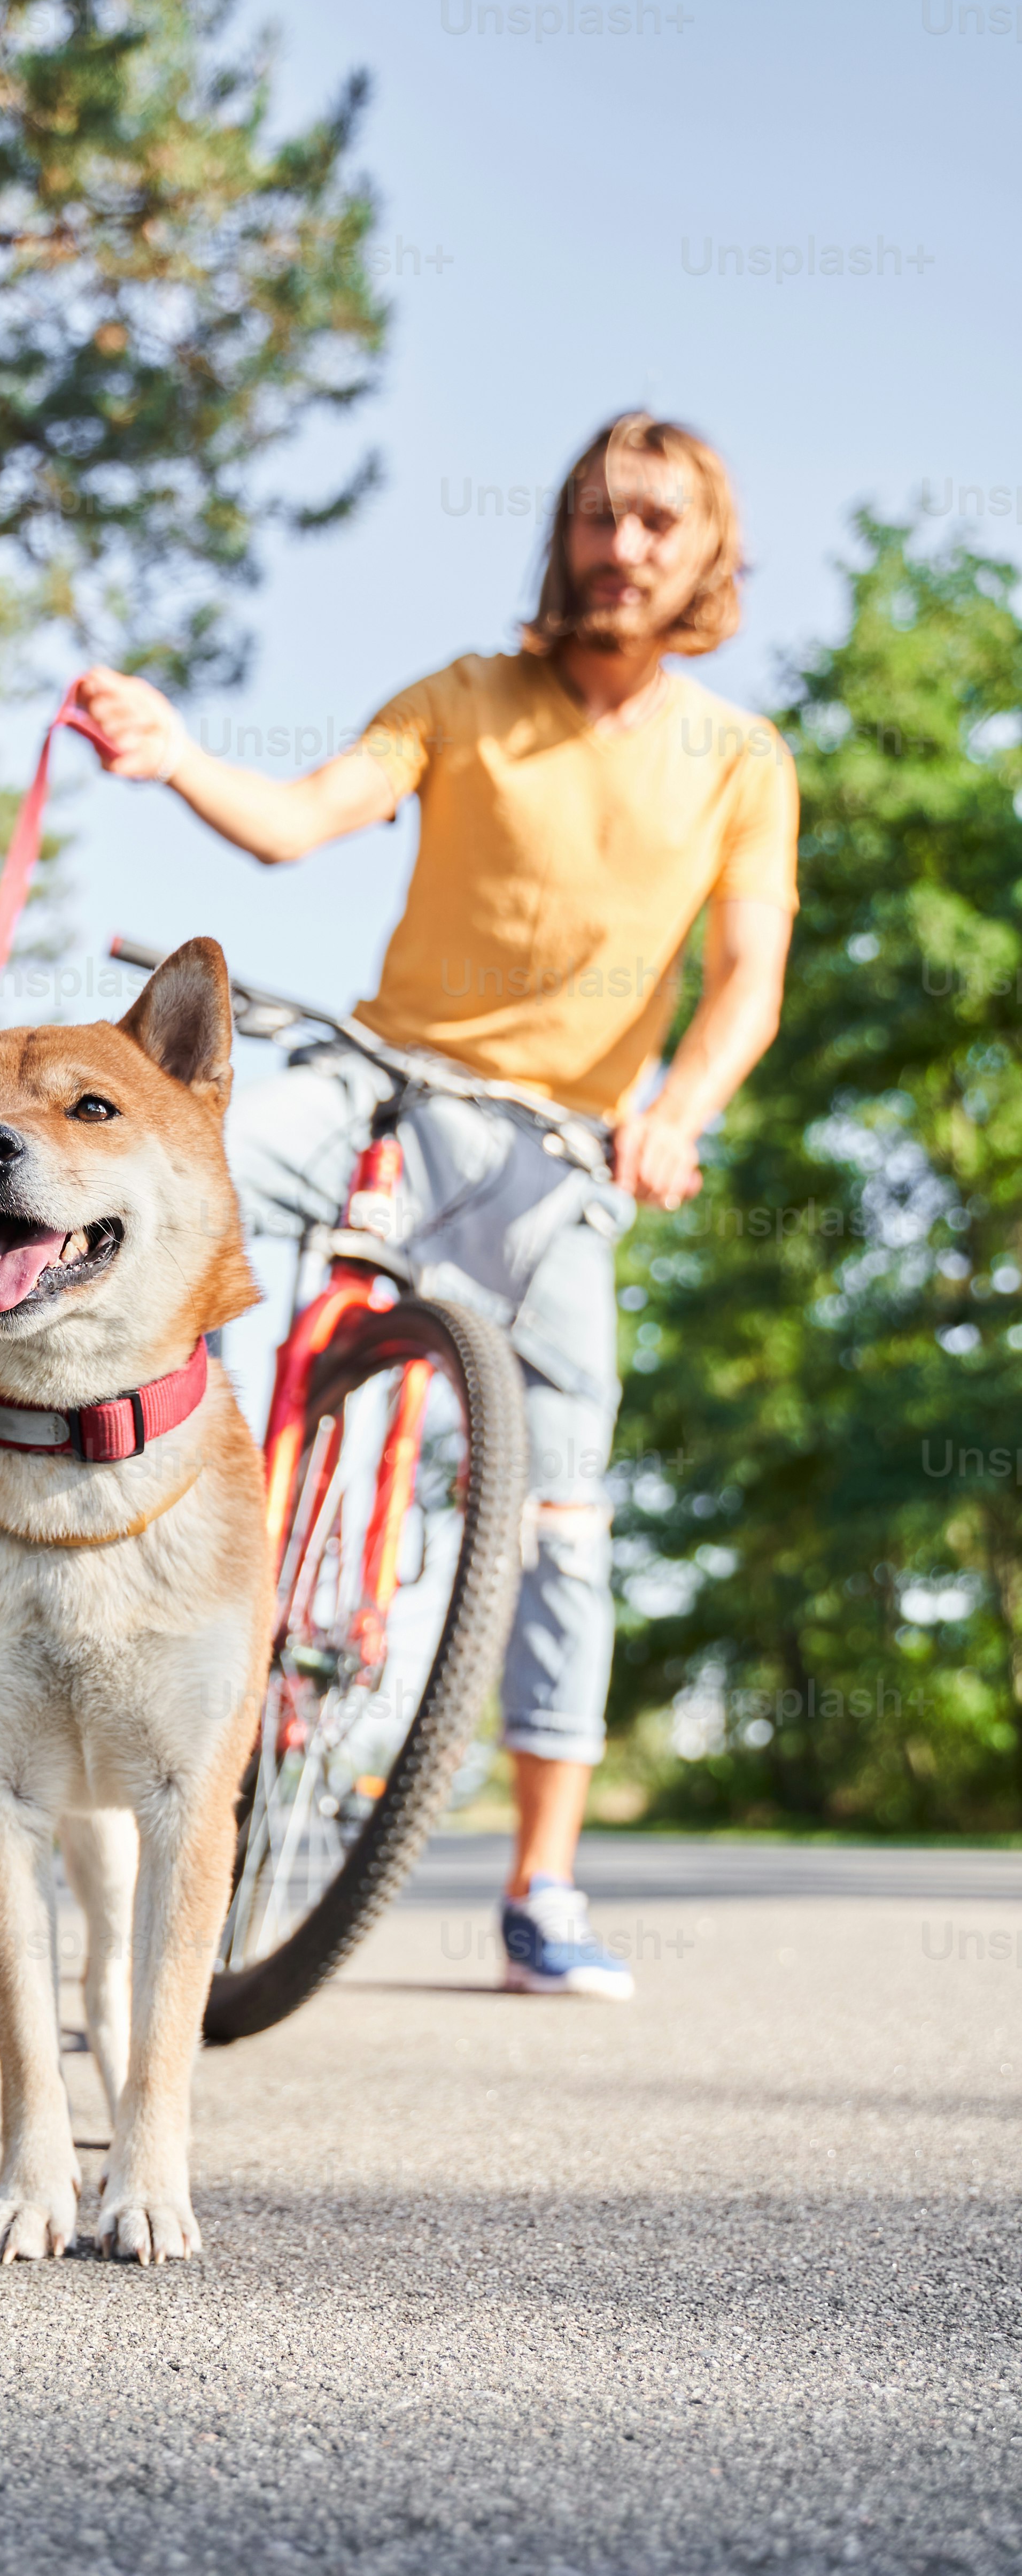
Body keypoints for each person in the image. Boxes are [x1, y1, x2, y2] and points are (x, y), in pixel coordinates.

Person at [75, 411, 798, 1997]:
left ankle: (543, 1885)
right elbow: (298, 823)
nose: (624, 547)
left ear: (706, 552)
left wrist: (680, 1108)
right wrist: (180, 753)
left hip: (562, 1142)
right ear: (565, 538)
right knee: (195, 1179)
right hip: (385, 1080)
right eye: (600, 519)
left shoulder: (739, 760)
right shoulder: (467, 697)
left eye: (659, 523)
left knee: (564, 1512)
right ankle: (167, 1525)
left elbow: (748, 977)